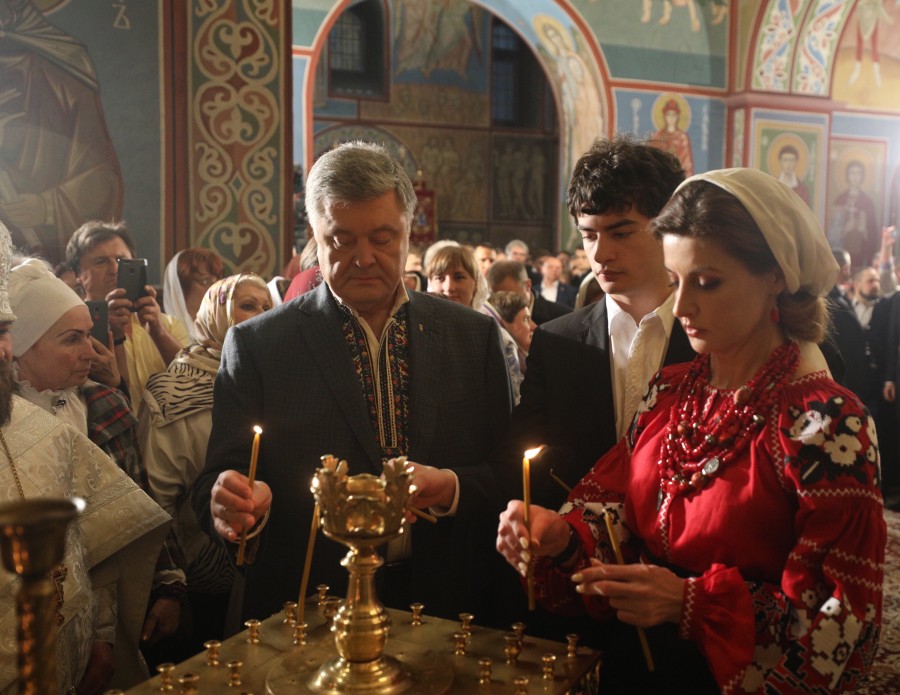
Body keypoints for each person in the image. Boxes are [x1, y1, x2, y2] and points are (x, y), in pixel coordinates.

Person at [497, 168, 885, 693]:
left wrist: (690, 602)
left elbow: (842, 623)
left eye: (707, 282)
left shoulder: (826, 423)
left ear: (775, 276)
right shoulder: (672, 390)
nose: (681, 307)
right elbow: (614, 511)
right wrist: (564, 538)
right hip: (632, 668)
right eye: (675, 281)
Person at [191, 141, 514, 626]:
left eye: (383, 238)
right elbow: (218, 480)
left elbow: (508, 474)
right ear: (315, 237)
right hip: (312, 605)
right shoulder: (259, 344)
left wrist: (450, 487)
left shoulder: (472, 336)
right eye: (342, 240)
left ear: (409, 231)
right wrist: (231, 503)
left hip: (448, 601)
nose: (364, 258)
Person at [0, 224, 170, 694]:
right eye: (71, 339)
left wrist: (102, 635)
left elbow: (102, 537)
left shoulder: (78, 415)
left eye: (89, 336)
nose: (91, 353)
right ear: (24, 350)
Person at [496, 135, 692, 513]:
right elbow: (516, 464)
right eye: (589, 235)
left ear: (669, 226)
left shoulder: (714, 335)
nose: (600, 254)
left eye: (621, 233)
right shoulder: (559, 342)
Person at [139, 273, 272, 648]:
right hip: (195, 569)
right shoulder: (172, 393)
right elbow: (156, 498)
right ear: (215, 315)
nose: (262, 315)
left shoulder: (268, 380)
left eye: (267, 307)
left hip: (258, 559)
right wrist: (170, 585)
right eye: (248, 306)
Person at [66, 221, 190, 414]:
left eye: (121, 260)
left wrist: (158, 331)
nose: (114, 269)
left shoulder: (168, 324)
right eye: (101, 262)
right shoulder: (73, 332)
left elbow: (191, 380)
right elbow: (112, 395)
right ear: (78, 273)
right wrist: (114, 334)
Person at [161, 248, 224, 342]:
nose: (216, 288)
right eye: (205, 281)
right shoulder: (160, 330)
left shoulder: (224, 328)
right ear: (180, 287)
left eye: (218, 281)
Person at [828, 160, 879, 269]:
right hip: (842, 254)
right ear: (847, 175)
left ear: (862, 176)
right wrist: (845, 230)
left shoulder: (867, 202)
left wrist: (863, 231)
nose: (855, 176)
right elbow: (832, 233)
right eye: (852, 173)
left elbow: (873, 232)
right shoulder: (840, 200)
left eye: (858, 173)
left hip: (861, 254)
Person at [488, 260, 572, 325]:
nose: (504, 303)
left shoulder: (563, 317)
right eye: (496, 297)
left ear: (528, 285)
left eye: (510, 296)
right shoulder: (489, 317)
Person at [651, 98, 694, 176]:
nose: (671, 118)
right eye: (668, 115)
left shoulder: (682, 137)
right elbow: (651, 160)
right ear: (664, 116)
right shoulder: (658, 136)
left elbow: (687, 164)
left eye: (673, 115)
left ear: (677, 116)